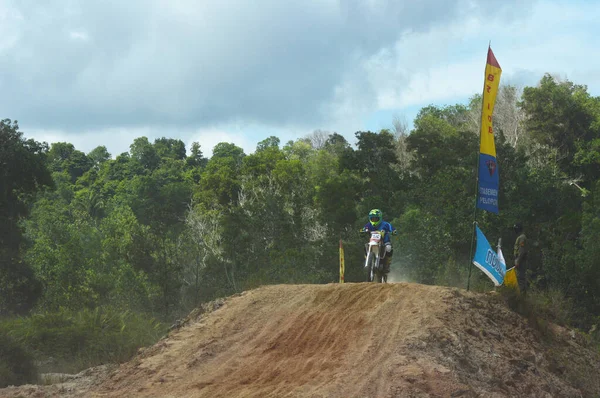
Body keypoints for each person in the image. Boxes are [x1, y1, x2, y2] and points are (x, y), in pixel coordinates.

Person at [362, 209, 397, 274]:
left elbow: (392, 229)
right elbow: (364, 229)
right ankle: (368, 260)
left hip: (385, 241)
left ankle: (387, 264)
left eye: (376, 218)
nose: (374, 220)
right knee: (365, 246)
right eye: (372, 218)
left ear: (380, 218)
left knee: (389, 248)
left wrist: (393, 231)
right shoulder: (368, 225)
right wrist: (362, 231)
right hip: (373, 241)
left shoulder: (386, 224)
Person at [513, 223, 528, 294]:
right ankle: (521, 293)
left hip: (521, 261)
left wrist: (518, 261)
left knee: (520, 278)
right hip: (519, 260)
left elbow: (522, 251)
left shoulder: (522, 237)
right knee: (519, 277)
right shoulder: (520, 237)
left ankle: (522, 295)